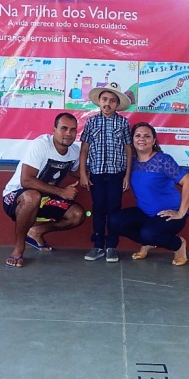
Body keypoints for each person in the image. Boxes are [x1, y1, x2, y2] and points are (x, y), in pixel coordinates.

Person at [2, 112, 85, 268]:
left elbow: (75, 171)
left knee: (77, 215)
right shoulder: (41, 145)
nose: (68, 133)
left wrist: (100, 176)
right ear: (54, 130)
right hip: (16, 197)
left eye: (73, 130)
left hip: (45, 199)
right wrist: (62, 192)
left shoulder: (74, 151)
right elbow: (26, 180)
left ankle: (36, 232)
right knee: (32, 196)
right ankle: (19, 248)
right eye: (64, 128)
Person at [108, 122, 189, 266]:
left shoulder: (163, 160)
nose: (142, 139)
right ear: (132, 140)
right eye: (138, 135)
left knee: (149, 234)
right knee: (115, 221)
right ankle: (147, 241)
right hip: (145, 213)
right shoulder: (132, 162)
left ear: (154, 141)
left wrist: (180, 213)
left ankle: (178, 245)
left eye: (147, 136)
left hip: (169, 214)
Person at [79, 81, 133, 263]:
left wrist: (127, 175)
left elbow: (128, 149)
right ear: (99, 101)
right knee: (98, 209)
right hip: (96, 174)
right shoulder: (91, 122)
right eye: (104, 99)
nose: (107, 103)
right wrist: (83, 173)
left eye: (112, 100)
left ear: (117, 104)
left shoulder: (123, 123)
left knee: (114, 210)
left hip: (116, 174)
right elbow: (84, 148)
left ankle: (111, 246)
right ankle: (98, 245)